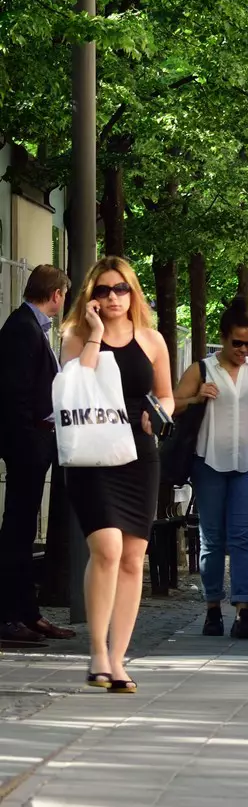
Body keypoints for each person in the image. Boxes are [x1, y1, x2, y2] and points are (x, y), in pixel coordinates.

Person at [60, 257, 172, 692]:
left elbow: (165, 394)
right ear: (91, 296)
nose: (112, 297)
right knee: (105, 547)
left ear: (133, 292)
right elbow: (78, 383)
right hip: (92, 452)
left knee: (131, 558)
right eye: (103, 290)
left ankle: (120, 657)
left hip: (139, 454)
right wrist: (97, 335)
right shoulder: (76, 335)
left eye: (120, 289)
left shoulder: (153, 339)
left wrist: (160, 415)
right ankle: (98, 653)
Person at [172, 299, 248, 640]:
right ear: (223, 338)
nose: (244, 350)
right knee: (212, 538)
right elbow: (170, 405)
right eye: (237, 343)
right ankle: (212, 608)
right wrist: (197, 396)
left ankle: (243, 610)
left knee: (243, 537)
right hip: (209, 461)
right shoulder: (203, 369)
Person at [0, 265, 74, 648]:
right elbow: (15, 393)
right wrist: (29, 440)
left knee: (24, 528)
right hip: (27, 443)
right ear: (57, 294)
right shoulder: (21, 328)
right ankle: (11, 616)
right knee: (17, 530)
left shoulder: (29, 327)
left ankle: (26, 612)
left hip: (34, 441)